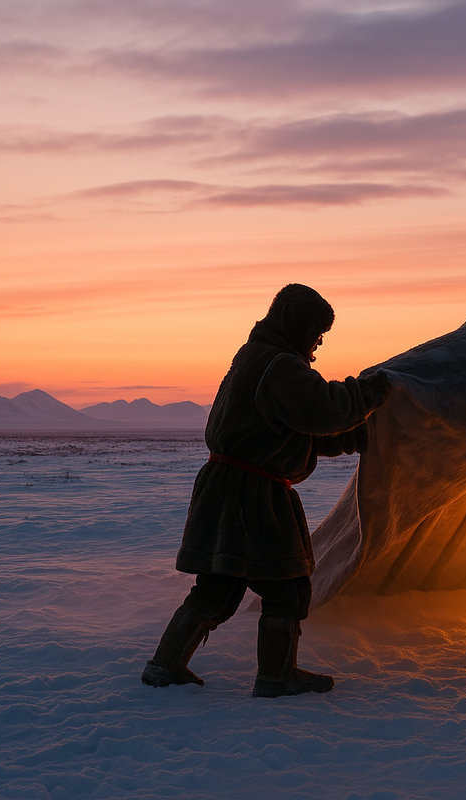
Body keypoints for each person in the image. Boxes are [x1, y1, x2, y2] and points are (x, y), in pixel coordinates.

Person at [141, 284, 391, 698]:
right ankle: (277, 677)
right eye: (317, 332)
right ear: (298, 325)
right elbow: (324, 410)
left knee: (217, 589)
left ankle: (164, 665)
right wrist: (368, 394)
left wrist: (357, 435)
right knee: (285, 588)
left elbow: (296, 432)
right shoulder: (279, 366)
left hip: (231, 488)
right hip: (250, 495)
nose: (319, 342)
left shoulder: (254, 358)